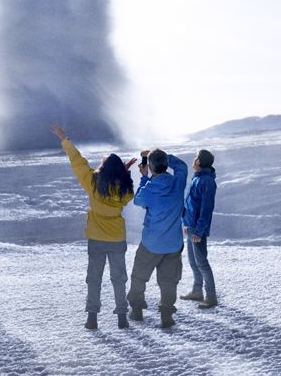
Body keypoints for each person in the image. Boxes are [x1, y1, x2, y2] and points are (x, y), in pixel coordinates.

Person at [50, 123, 136, 331]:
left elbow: (78, 162)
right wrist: (123, 173)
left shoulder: (93, 183)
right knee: (118, 278)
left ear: (104, 168)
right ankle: (122, 317)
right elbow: (127, 192)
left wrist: (64, 139)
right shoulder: (125, 189)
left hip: (97, 239)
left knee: (94, 279)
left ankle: (92, 318)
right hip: (117, 238)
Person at [127, 148, 188, 328]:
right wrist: (163, 158)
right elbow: (182, 166)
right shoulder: (178, 183)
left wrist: (145, 177)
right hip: (173, 244)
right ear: (166, 165)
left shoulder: (149, 189)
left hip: (151, 243)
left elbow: (138, 200)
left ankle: (137, 310)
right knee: (169, 280)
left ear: (151, 167)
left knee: (139, 276)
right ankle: (167, 315)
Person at [180, 149, 219, 308]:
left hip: (197, 229)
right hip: (191, 226)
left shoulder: (207, 181)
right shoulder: (198, 178)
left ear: (199, 162)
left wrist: (199, 230)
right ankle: (197, 291)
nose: (193, 159)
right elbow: (191, 204)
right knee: (193, 261)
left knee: (201, 262)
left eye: (196, 157)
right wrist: (186, 223)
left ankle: (211, 296)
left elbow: (206, 208)